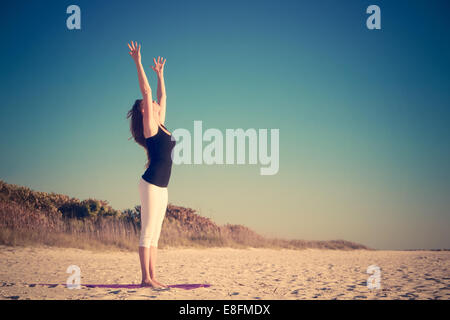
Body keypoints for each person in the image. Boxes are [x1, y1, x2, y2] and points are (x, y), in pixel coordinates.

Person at [126, 41, 176, 289]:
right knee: (147, 231)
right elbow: (146, 92)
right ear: (145, 110)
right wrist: (138, 61)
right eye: (148, 103)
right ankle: (145, 279)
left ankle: (153, 276)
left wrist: (161, 75)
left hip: (161, 187)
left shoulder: (162, 124)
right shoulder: (151, 127)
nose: (154, 103)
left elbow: (161, 95)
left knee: (155, 234)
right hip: (151, 184)